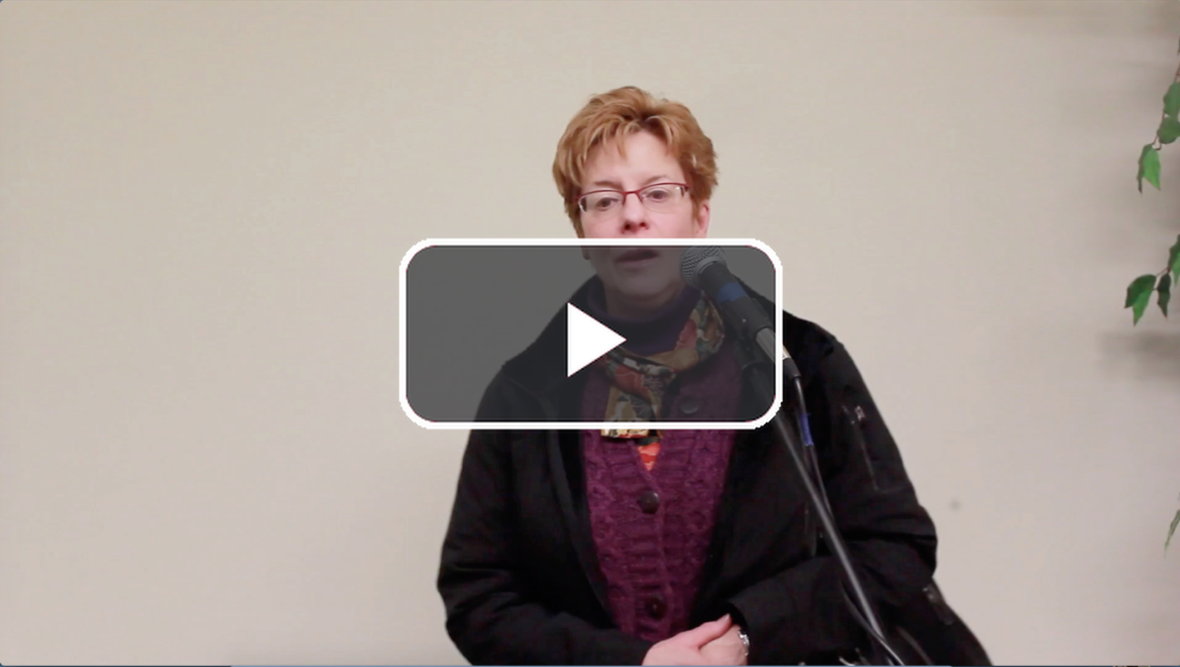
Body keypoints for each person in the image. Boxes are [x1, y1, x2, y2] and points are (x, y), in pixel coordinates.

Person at [437, 86, 941, 666]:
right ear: (582, 235)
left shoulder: (796, 361)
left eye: (658, 193)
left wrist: (749, 637)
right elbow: (478, 598)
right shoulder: (525, 390)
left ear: (700, 217)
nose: (633, 217)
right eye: (603, 201)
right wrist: (633, 663)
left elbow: (894, 549)